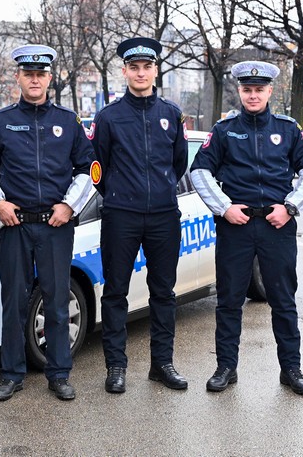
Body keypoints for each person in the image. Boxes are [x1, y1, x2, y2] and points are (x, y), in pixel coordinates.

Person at [190, 60, 303, 395]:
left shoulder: (288, 129)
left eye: (258, 89)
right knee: (230, 301)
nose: (252, 95)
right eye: (246, 89)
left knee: (283, 299)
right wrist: (224, 208)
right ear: (239, 90)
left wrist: (290, 207)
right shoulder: (223, 130)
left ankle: (291, 369)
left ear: (269, 91)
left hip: (277, 227)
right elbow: (200, 172)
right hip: (237, 226)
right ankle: (226, 368)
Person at [0, 44, 96, 402]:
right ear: (18, 78)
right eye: (28, 74)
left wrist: (69, 206)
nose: (35, 80)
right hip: (15, 225)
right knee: (14, 301)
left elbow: (88, 171)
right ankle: (12, 373)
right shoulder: (2, 121)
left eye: (41, 74)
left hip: (56, 225)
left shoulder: (68, 121)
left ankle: (58, 373)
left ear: (49, 78)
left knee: (57, 301)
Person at [89, 36, 189, 394]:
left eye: (147, 67)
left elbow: (178, 163)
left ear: (156, 70)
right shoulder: (109, 117)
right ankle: (116, 366)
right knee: (115, 292)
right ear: (125, 71)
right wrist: (119, 194)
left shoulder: (172, 114)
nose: (141, 73)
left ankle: (162, 364)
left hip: (163, 215)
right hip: (121, 216)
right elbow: (96, 168)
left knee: (163, 292)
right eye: (134, 67)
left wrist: (159, 191)